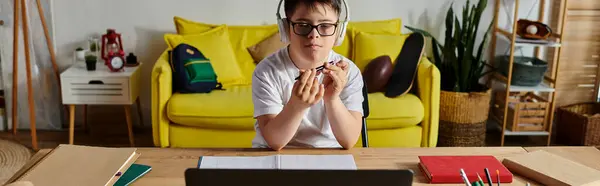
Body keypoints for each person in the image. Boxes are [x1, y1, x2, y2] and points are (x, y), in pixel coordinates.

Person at [251, 0, 364, 151]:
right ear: (286, 29)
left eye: (325, 26)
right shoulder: (266, 71)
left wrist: (332, 99)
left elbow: (349, 140)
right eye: (303, 25)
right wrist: (297, 106)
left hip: (330, 156)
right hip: (275, 156)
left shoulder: (349, 71)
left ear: (339, 31)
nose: (313, 35)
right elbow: (275, 141)